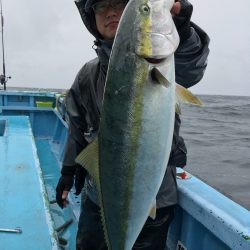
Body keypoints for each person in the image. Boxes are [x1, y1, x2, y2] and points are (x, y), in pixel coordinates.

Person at [56, 0, 210, 249]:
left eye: (118, 3)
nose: (111, 13)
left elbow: (192, 66)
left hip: (155, 197)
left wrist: (182, 31)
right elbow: (76, 126)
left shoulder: (166, 61)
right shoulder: (88, 74)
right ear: (91, 17)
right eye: (100, 7)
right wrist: (67, 171)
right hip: (100, 195)